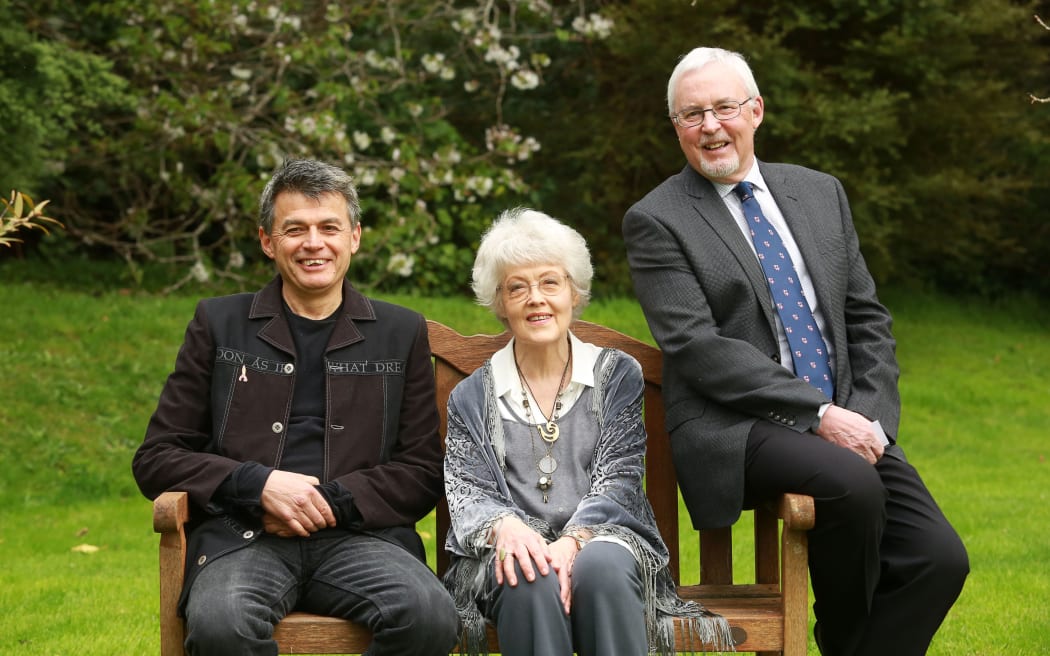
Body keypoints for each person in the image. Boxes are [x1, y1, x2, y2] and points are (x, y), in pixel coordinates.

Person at [622, 47, 969, 656]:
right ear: (675, 127)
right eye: (691, 114)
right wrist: (821, 415)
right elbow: (697, 347)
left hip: (844, 423)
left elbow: (867, 320)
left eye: (724, 108)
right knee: (851, 486)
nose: (710, 126)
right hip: (738, 426)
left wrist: (870, 418)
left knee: (939, 559)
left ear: (756, 111)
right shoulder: (657, 219)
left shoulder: (819, 193)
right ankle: (841, 638)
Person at [132, 158, 458, 656]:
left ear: (355, 237)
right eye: (294, 230)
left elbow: (420, 471)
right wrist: (258, 485)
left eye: (329, 227)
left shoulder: (400, 332)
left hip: (361, 538)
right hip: (241, 537)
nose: (313, 243)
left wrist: (331, 501)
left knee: (430, 617)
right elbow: (156, 457)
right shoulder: (220, 323)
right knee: (222, 624)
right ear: (268, 241)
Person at [442, 207, 732, 656]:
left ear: (574, 293)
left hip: (603, 540)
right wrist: (508, 529)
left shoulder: (615, 375)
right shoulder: (470, 396)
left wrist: (572, 544)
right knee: (525, 570)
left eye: (550, 283)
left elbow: (618, 480)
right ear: (499, 304)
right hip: (507, 553)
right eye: (517, 287)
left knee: (600, 567)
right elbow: (469, 494)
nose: (535, 298)